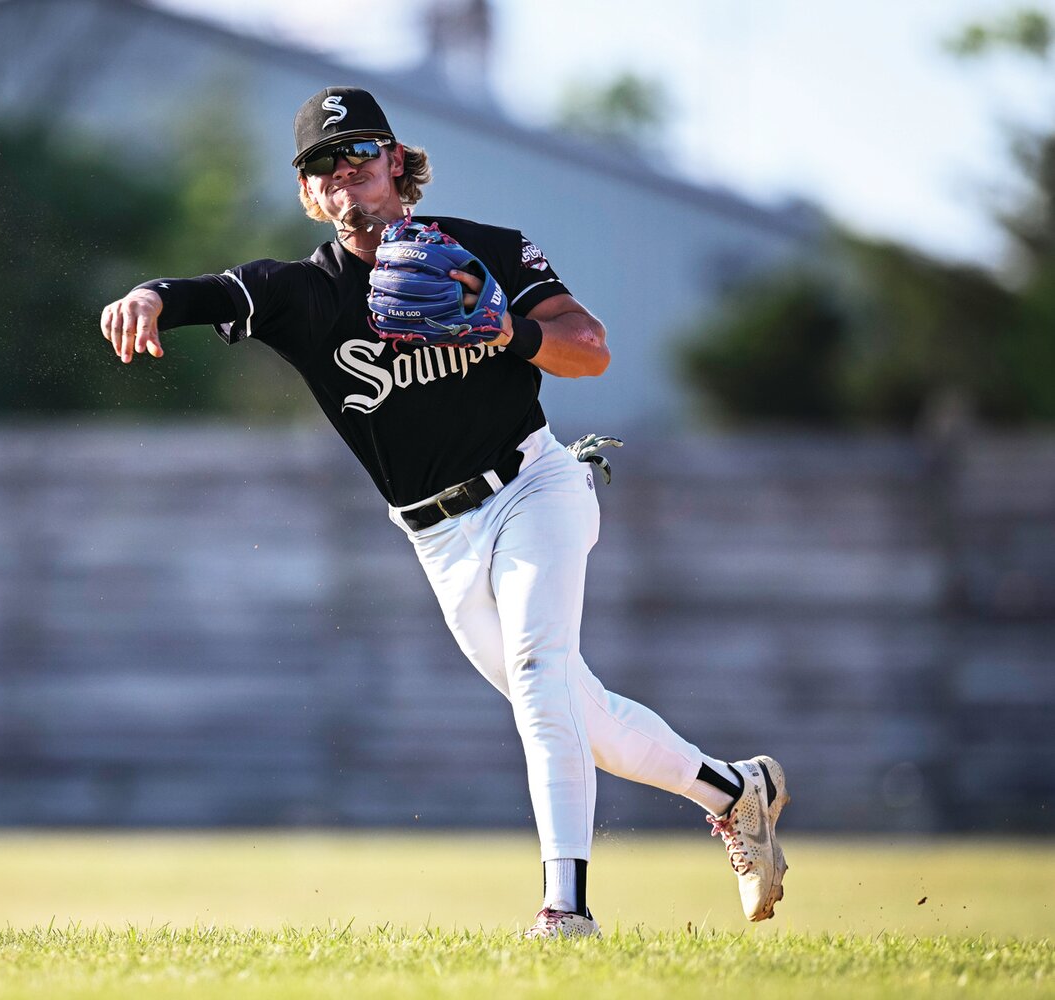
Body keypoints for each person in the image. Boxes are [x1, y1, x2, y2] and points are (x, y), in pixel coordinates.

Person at [99, 86, 788, 940]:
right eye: (324, 166)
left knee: (541, 679)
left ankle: (564, 912)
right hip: (439, 540)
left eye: (360, 156)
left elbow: (591, 349)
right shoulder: (298, 295)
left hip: (535, 487)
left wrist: (502, 328)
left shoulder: (481, 250)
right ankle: (735, 791)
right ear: (310, 193)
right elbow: (196, 292)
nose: (346, 177)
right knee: (583, 715)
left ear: (396, 161)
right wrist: (147, 297)